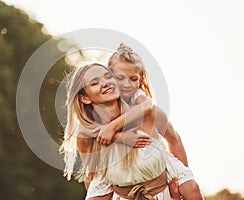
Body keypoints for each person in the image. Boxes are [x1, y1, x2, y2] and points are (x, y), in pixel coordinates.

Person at [85, 44, 203, 199]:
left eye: (133, 79)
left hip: (154, 172)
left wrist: (179, 185)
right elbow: (88, 150)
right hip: (119, 175)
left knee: (192, 189)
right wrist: (118, 136)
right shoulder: (98, 111)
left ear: (140, 81)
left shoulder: (149, 110)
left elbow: (174, 140)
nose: (127, 84)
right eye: (120, 78)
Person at [60, 62, 188, 199]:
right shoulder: (87, 135)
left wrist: (180, 189)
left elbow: (174, 141)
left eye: (108, 76)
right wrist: (120, 137)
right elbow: (92, 182)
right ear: (85, 98)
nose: (105, 83)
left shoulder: (150, 115)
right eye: (94, 83)